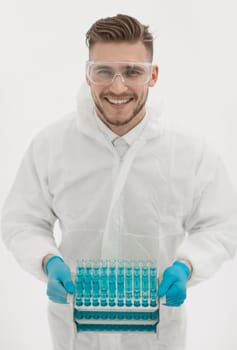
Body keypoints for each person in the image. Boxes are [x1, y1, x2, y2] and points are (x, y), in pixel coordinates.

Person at [1, 13, 237, 350]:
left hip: (156, 334)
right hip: (77, 332)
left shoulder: (190, 153)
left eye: (132, 72)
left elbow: (222, 225)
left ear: (152, 75)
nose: (117, 86)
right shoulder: (51, 146)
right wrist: (46, 259)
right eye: (104, 71)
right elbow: (22, 220)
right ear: (88, 75)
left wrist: (188, 264)